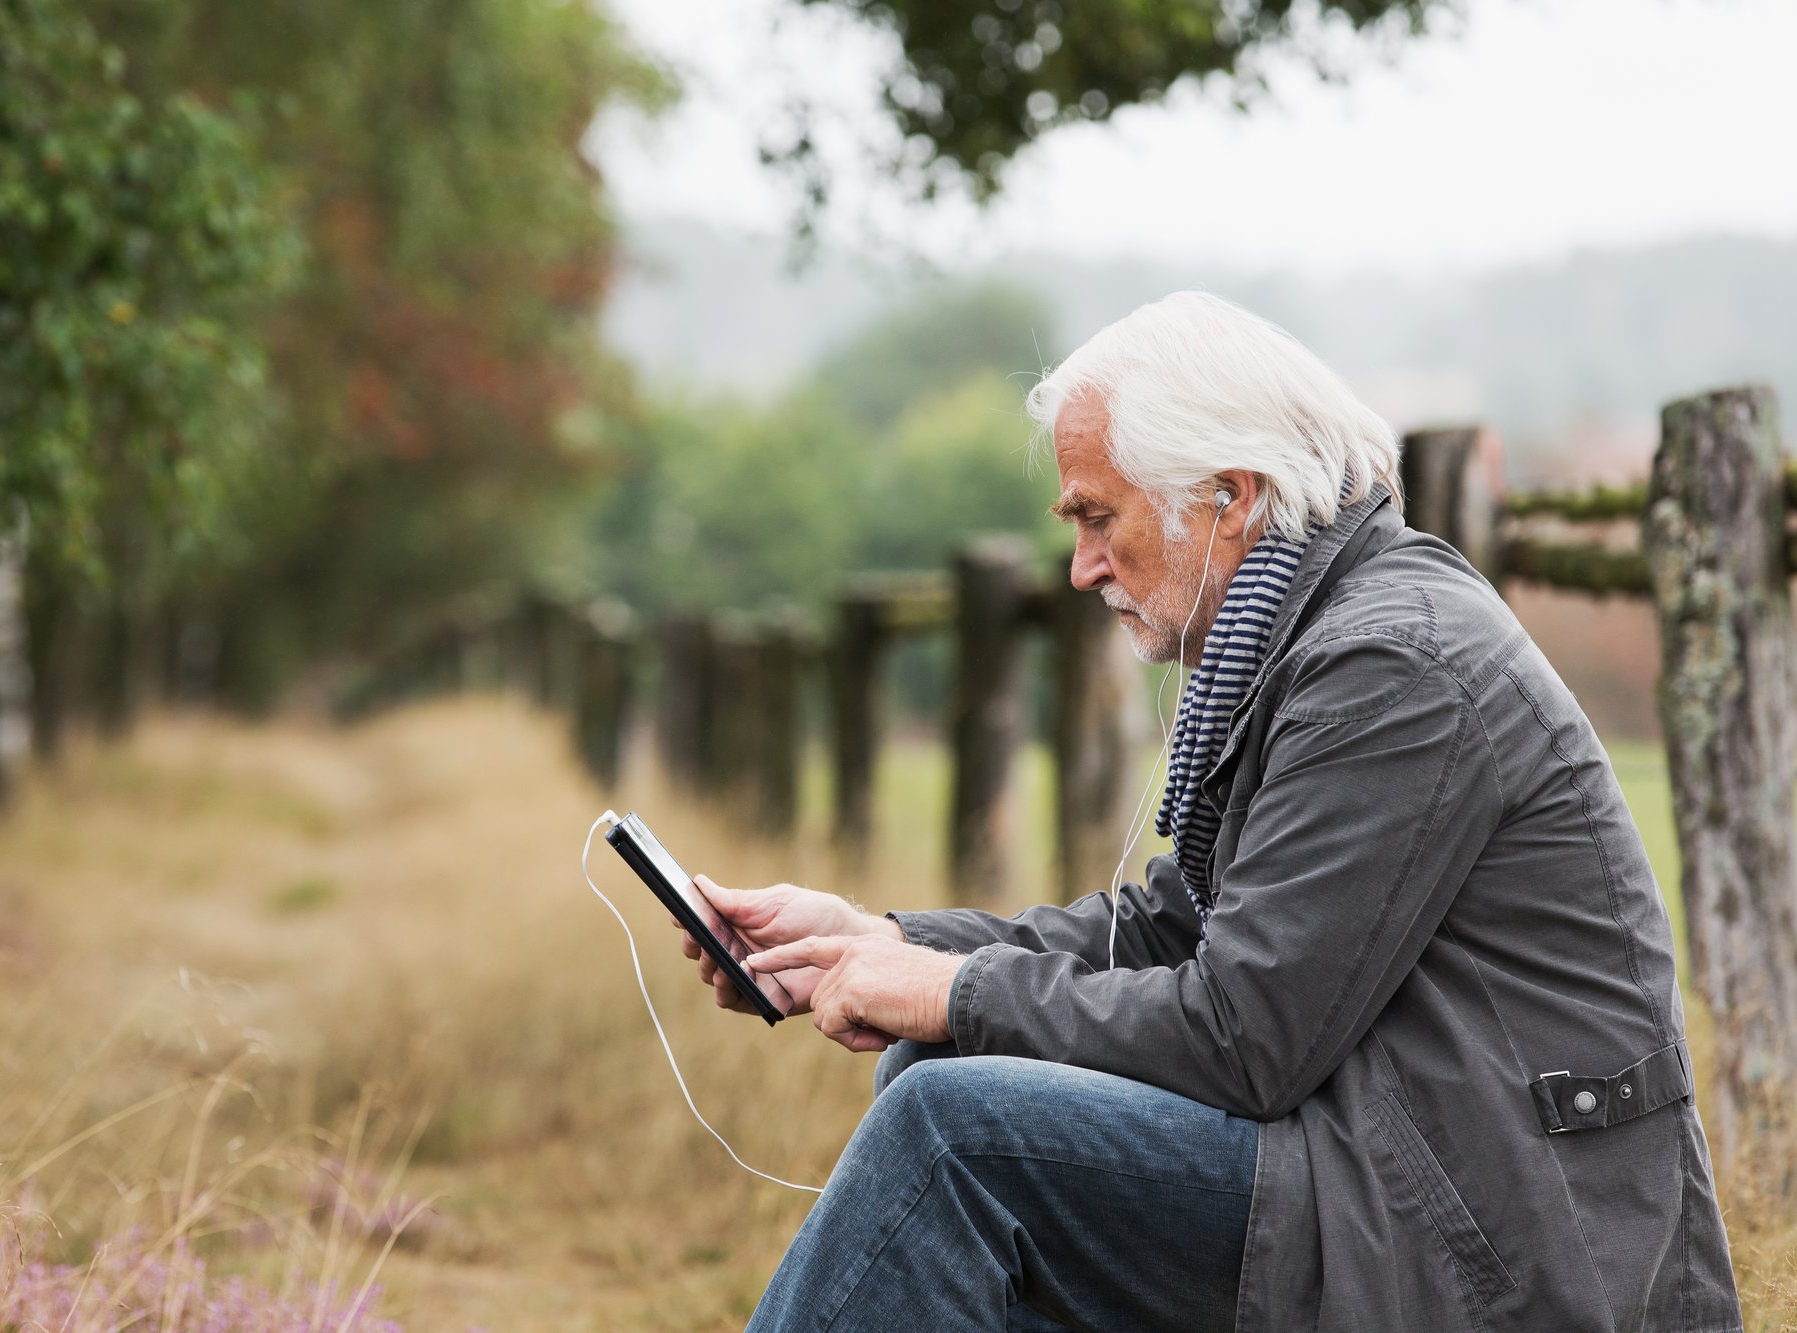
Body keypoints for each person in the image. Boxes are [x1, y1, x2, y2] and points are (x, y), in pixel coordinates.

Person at [678, 291, 1742, 1332]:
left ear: (1228, 498)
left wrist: (951, 990)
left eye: (1097, 516)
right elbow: (1168, 928)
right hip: (1387, 1161)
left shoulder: (1390, 662)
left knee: (955, 1135)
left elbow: (1243, 1037)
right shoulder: (1312, 633)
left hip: (1496, 1239)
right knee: (946, 1075)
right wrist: (885, 940)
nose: (1082, 564)